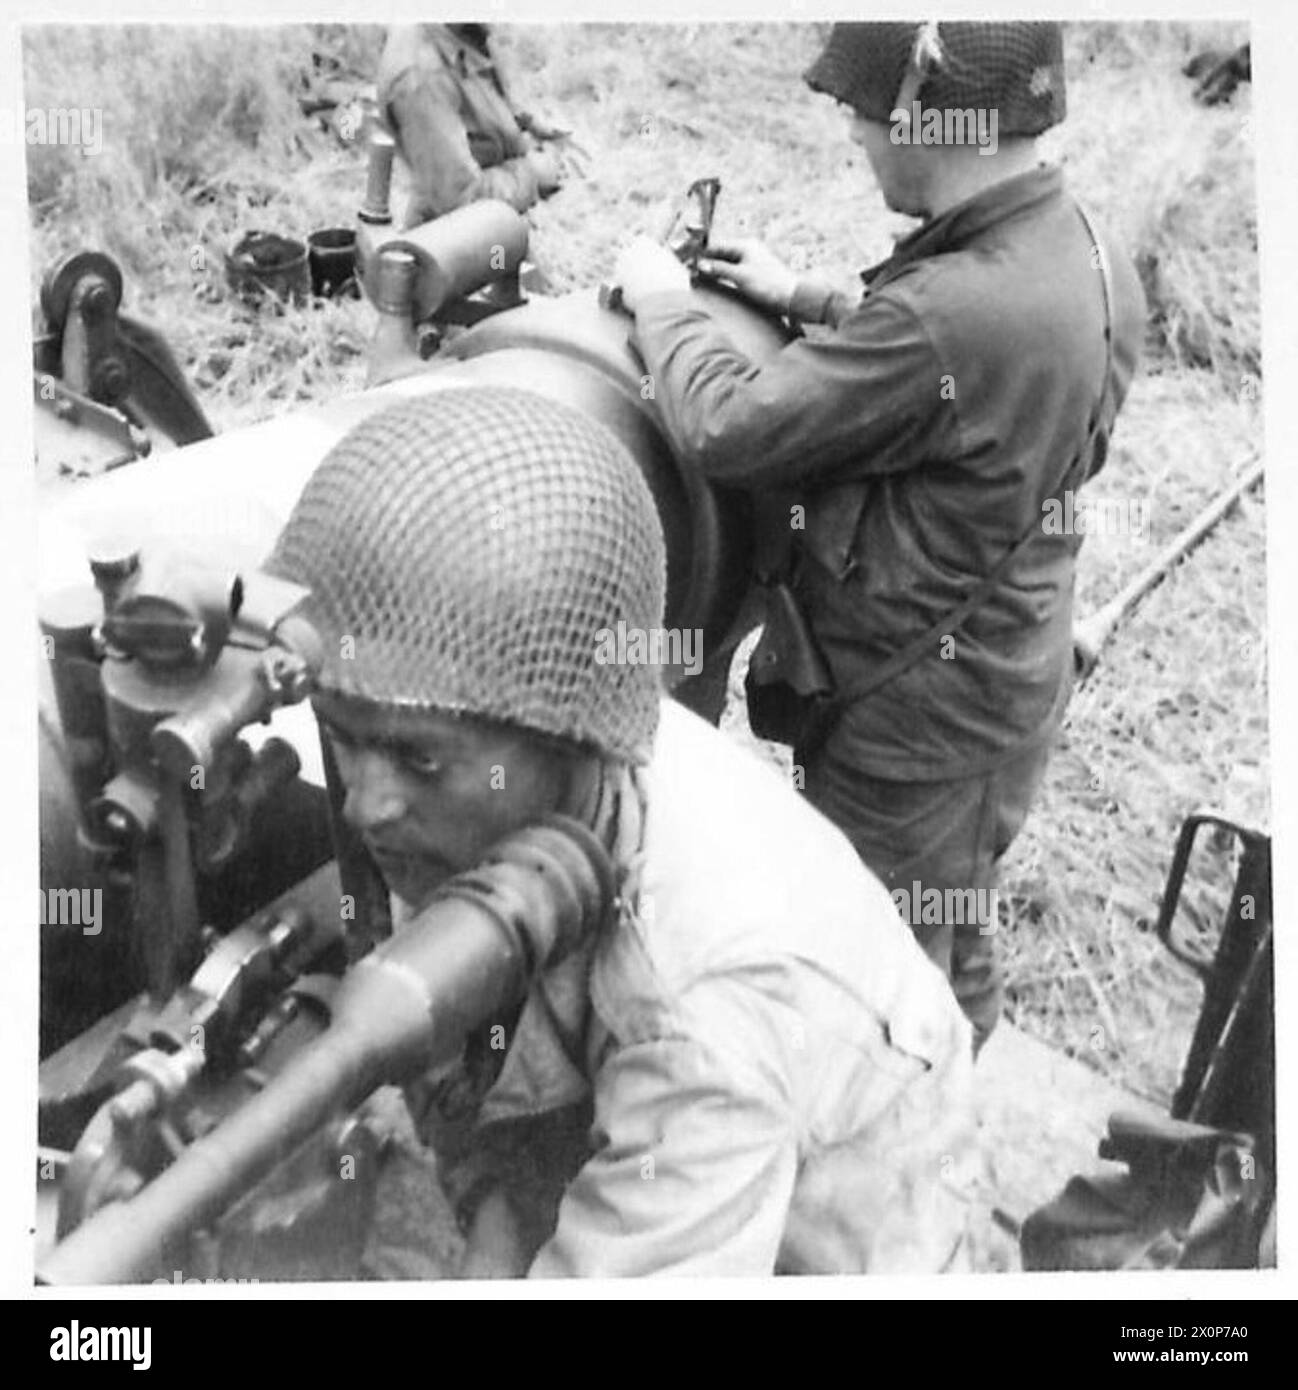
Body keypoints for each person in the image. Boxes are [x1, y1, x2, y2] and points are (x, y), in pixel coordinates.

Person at [265, 385, 975, 1277]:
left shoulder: (706, 1000)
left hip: (842, 1208)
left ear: (568, 733)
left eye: (419, 761)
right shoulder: (512, 725)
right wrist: (490, 1203)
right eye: (344, 737)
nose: (367, 805)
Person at [611, 21, 1146, 1052]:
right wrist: (808, 298)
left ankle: (884, 1151)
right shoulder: (1083, 250)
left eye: (861, 113)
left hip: (906, 735)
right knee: (947, 914)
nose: (854, 138)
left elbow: (728, 427)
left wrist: (662, 304)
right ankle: (955, 1042)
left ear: (924, 117)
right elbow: (972, 374)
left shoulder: (948, 315)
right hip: (995, 694)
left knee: (859, 987)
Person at [376, 23, 579, 229]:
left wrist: (523, 119)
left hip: (493, 236)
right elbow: (459, 203)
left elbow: (477, 84)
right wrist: (534, 174)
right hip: (458, 248)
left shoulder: (460, 29)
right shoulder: (421, 77)